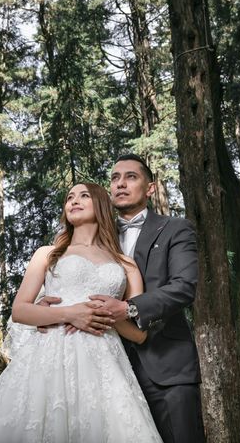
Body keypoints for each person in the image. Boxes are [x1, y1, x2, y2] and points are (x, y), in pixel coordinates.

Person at [0, 182, 162, 442]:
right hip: (50, 355)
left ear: (101, 204)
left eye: (84, 196)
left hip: (104, 363)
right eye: (69, 197)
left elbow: (138, 335)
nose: (73, 201)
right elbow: (20, 310)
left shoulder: (126, 264)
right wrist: (70, 313)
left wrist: (106, 316)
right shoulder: (49, 254)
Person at [86, 154, 205, 443]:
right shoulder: (95, 236)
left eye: (131, 177)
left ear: (150, 188)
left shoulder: (176, 228)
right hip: (107, 369)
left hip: (167, 367)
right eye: (115, 178)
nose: (120, 184)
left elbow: (184, 287)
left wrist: (128, 308)